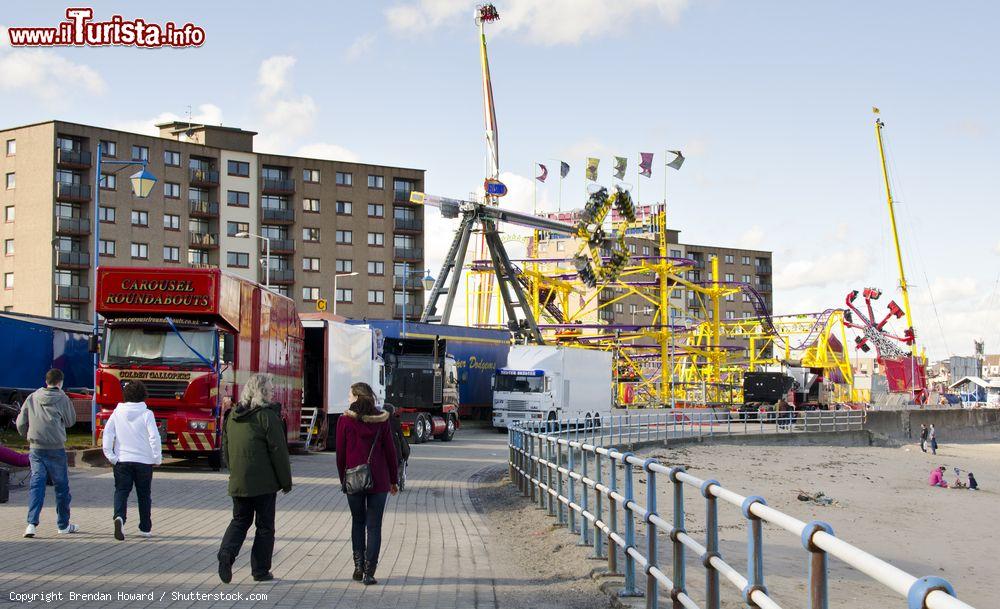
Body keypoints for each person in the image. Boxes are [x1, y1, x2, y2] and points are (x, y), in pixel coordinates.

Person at [217, 373, 292, 584]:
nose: (273, 392)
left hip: (239, 481)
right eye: (270, 389)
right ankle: (260, 570)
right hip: (264, 483)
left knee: (240, 520)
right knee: (265, 526)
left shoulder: (232, 416)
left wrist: (235, 471)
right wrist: (285, 482)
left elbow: (227, 448)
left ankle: (226, 554)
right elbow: (279, 452)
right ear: (261, 392)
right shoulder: (267, 417)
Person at [337, 382, 398, 586]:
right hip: (379, 480)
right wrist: (393, 480)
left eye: (349, 395)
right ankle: (370, 572)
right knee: (374, 526)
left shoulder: (345, 421)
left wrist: (343, 480)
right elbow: (391, 452)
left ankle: (358, 566)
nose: (348, 399)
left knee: (357, 522)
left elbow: (340, 455)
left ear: (356, 397)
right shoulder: (382, 420)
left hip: (353, 479)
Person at [15, 369, 78, 538]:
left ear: (46, 381)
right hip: (56, 448)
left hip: (36, 448)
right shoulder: (63, 398)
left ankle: (31, 524)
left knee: (37, 485)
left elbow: (21, 422)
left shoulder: (32, 397)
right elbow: (71, 421)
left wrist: (26, 434)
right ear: (60, 382)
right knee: (61, 487)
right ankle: (63, 525)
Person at [101, 381, 162, 541]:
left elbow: (108, 434)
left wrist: (111, 456)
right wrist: (156, 457)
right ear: (143, 395)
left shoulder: (117, 413)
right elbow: (154, 437)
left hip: (122, 460)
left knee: (121, 491)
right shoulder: (147, 414)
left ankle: (119, 517)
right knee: (144, 494)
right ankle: (145, 527)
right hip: (143, 461)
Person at [383, 404, 410, 489]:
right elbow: (401, 436)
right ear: (392, 412)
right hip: (395, 450)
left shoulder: (380, 421)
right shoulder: (396, 421)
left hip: (382, 449)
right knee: (403, 449)